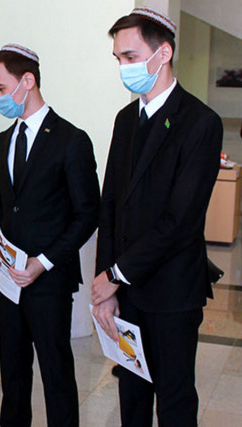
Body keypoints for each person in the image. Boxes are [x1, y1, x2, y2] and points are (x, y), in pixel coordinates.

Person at [91, 7, 223, 427]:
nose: (123, 68)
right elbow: (110, 205)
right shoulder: (125, 120)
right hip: (126, 292)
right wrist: (105, 286)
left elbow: (180, 222)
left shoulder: (200, 122)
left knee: (174, 399)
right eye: (119, 59)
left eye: (130, 57)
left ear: (163, 53)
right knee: (131, 395)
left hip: (171, 293)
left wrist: (115, 274)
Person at [0, 44, 100, 426]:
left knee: (56, 373)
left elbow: (88, 214)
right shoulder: (2, 142)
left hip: (48, 280)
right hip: (8, 280)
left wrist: (43, 262)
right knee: (13, 373)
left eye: (1, 88)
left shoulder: (71, 140)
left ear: (27, 81)